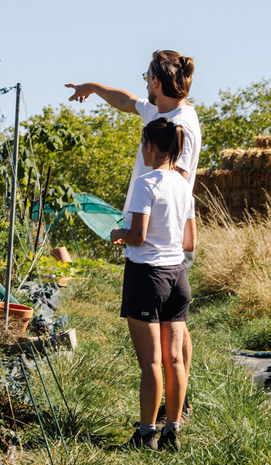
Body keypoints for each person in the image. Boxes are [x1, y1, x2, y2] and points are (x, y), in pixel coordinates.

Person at [65, 49, 200, 422]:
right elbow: (125, 101)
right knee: (173, 327)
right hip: (158, 238)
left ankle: (174, 406)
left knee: (168, 338)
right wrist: (92, 87)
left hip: (162, 242)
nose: (143, 85)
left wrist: (136, 233)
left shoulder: (180, 126)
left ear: (156, 82)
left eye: (146, 78)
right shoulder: (160, 112)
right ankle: (174, 406)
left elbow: (175, 187)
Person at [108, 117, 196, 451]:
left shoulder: (145, 184)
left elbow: (138, 235)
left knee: (151, 363)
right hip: (177, 276)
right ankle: (171, 432)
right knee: (175, 360)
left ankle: (146, 435)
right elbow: (189, 242)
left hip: (147, 276)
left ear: (150, 146)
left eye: (142, 144)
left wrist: (119, 233)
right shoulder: (183, 187)